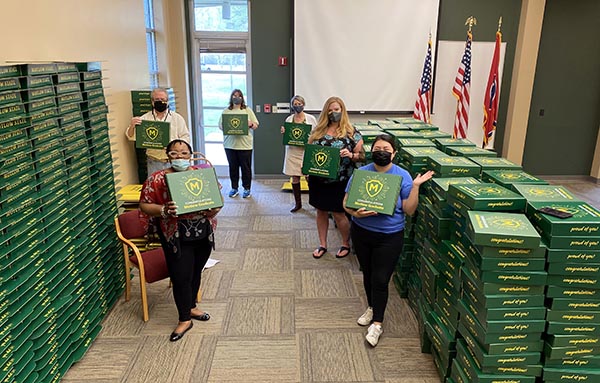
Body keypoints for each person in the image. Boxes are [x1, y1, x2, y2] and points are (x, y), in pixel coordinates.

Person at [343, 134, 434, 347]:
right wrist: (355, 214)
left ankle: (377, 324)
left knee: (381, 279)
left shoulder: (403, 176)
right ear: (371, 151)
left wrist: (416, 187)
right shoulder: (361, 173)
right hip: (362, 232)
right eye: (377, 148)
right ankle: (372, 307)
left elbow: (410, 210)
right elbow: (346, 202)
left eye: (386, 148)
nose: (381, 151)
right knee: (367, 273)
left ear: (394, 153)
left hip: (389, 236)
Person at [139, 139, 220, 342]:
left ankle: (191, 307)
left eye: (184, 153)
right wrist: (163, 210)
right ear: (168, 156)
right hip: (175, 234)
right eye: (174, 154)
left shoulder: (201, 175)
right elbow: (144, 205)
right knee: (181, 275)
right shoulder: (157, 179)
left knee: (195, 271)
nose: (180, 157)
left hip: (202, 232)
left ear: (191, 155)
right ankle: (184, 319)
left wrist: (215, 208)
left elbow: (218, 198)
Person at [307, 96, 363, 259]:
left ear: (342, 110)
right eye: (330, 110)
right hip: (319, 179)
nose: (333, 113)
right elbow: (310, 152)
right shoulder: (318, 131)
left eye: (336, 110)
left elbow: (362, 156)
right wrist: (306, 170)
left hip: (341, 180)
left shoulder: (352, 132)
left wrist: (351, 154)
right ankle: (322, 244)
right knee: (321, 212)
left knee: (339, 213)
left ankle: (345, 243)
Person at [126, 88, 191, 177]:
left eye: (163, 100)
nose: (160, 102)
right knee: (154, 188)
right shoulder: (145, 118)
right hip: (153, 162)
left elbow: (186, 138)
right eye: (157, 100)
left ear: (167, 101)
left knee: (173, 188)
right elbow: (131, 137)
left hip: (173, 162)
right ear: (152, 102)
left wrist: (173, 146)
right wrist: (132, 126)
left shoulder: (177, 118)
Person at [219, 89, 259, 199]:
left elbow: (256, 125)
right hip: (230, 145)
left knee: (246, 168)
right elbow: (220, 126)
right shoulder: (226, 111)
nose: (236, 97)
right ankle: (234, 188)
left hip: (245, 145)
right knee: (233, 168)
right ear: (231, 97)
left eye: (239, 96)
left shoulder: (247, 110)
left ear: (242, 98)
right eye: (234, 95)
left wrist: (250, 124)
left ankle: (247, 189)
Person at [280, 95, 317, 212]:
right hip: (293, 151)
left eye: (299, 104)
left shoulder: (311, 119)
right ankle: (298, 204)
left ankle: (315, 202)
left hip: (306, 151)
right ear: (292, 106)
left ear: (304, 104)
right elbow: (287, 136)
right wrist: (284, 133)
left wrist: (310, 138)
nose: (297, 106)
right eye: (295, 104)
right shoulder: (289, 119)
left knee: (309, 177)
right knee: (294, 177)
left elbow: (316, 134)